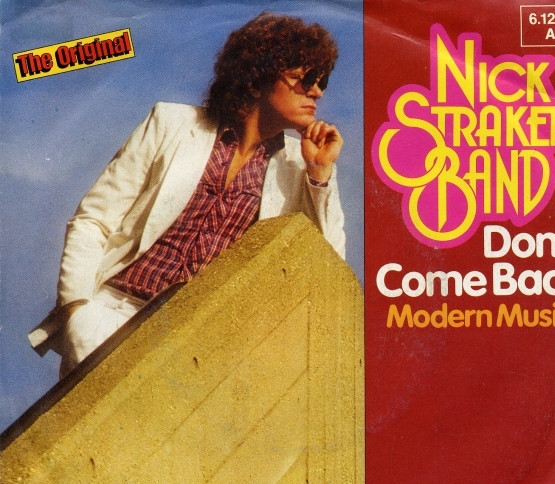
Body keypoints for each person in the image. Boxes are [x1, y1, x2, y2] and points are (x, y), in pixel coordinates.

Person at [29, 12, 346, 376]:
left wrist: (319, 176)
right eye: (304, 78)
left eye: (322, 81)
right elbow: (94, 220)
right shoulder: (171, 124)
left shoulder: (301, 167)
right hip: (113, 316)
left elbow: (326, 270)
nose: (317, 91)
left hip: (200, 346)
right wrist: (78, 312)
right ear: (257, 79)